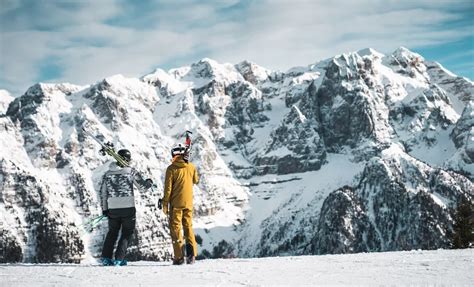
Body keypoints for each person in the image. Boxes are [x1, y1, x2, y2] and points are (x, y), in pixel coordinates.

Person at [99, 149, 152, 266]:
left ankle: (106, 258)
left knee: (112, 232)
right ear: (128, 159)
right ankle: (119, 259)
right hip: (128, 207)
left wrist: (104, 209)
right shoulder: (131, 172)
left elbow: (103, 193)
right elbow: (143, 188)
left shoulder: (107, 174)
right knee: (127, 233)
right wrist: (149, 182)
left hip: (112, 208)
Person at [161, 144, 199, 265]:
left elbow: (168, 189)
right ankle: (191, 255)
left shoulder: (171, 169)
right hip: (188, 204)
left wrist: (165, 204)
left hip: (176, 205)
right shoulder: (191, 167)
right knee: (188, 227)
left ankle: (179, 257)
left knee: (176, 229)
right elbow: (196, 180)